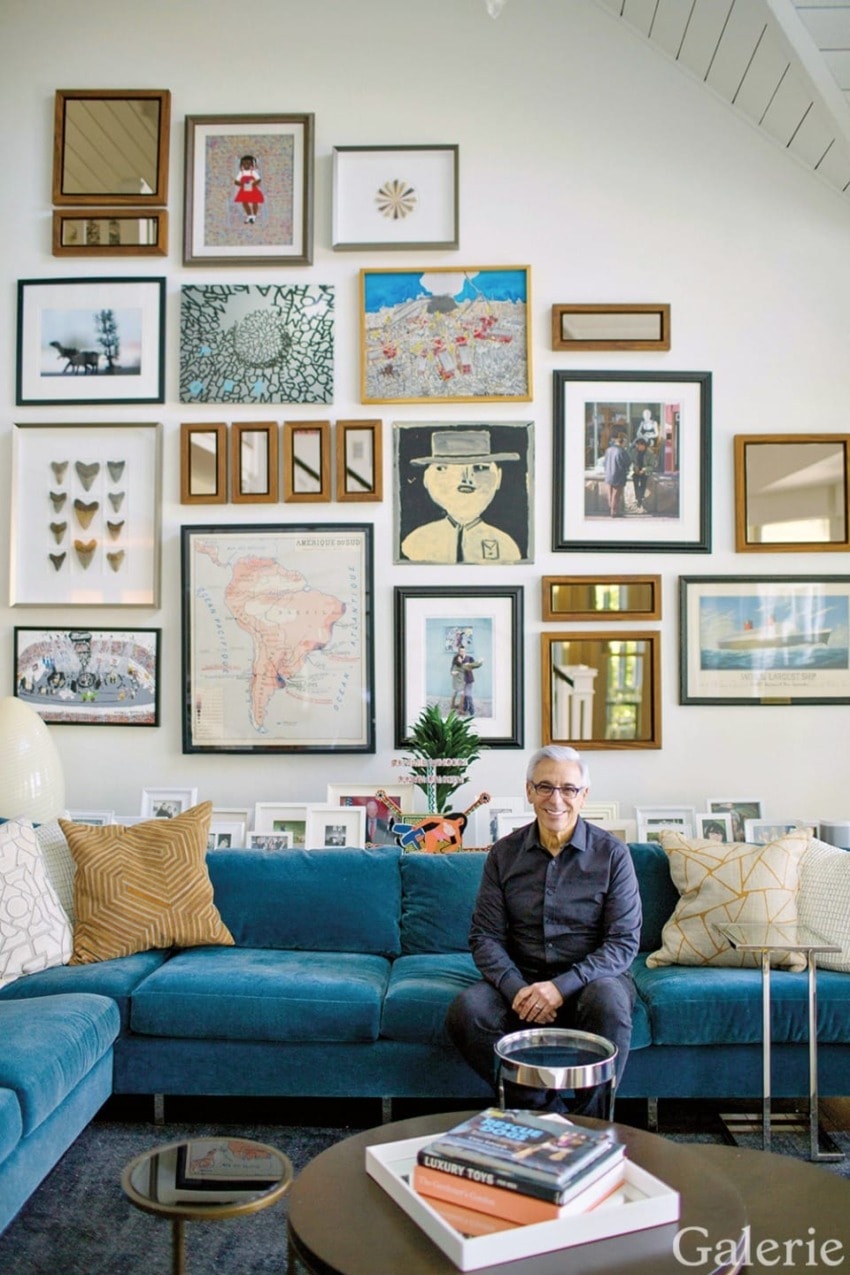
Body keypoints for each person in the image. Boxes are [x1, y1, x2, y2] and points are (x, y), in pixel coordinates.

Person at [445, 744, 642, 1117]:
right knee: (467, 1011)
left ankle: (592, 1125)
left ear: (584, 796)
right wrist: (518, 989)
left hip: (592, 980)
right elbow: (484, 937)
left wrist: (560, 988)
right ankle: (541, 1111)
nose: (557, 799)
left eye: (568, 789)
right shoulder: (504, 854)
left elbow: (622, 943)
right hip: (522, 980)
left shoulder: (613, 854)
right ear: (529, 791)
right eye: (545, 787)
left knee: (609, 1003)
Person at [400, 429, 523, 563]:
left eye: (480, 468)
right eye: (443, 468)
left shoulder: (506, 547)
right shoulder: (416, 542)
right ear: (427, 478)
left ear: (498, 477)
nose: (465, 479)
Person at [603, 431, 630, 517]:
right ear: (622, 442)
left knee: (610, 494)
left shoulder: (608, 450)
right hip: (618, 475)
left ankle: (612, 510)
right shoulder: (621, 451)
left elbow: (604, 462)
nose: (625, 444)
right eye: (625, 442)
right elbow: (626, 462)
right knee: (616, 495)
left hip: (608, 474)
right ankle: (614, 512)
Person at [234, 154, 264, 224]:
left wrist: (253, 183)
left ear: (251, 164)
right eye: (244, 163)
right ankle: (249, 215)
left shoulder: (253, 172)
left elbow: (259, 180)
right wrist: (242, 184)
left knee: (255, 202)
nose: (246, 165)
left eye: (248, 163)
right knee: (244, 203)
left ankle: (254, 216)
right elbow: (236, 181)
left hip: (253, 190)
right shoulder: (241, 173)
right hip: (244, 190)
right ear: (242, 164)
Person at [628, 435, 654, 510]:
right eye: (637, 445)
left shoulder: (650, 453)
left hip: (644, 471)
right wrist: (634, 467)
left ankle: (641, 498)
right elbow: (630, 461)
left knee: (643, 482)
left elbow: (652, 466)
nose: (638, 446)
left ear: (644, 445)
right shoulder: (634, 451)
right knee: (635, 481)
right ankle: (637, 498)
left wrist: (645, 469)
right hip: (635, 471)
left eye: (639, 445)